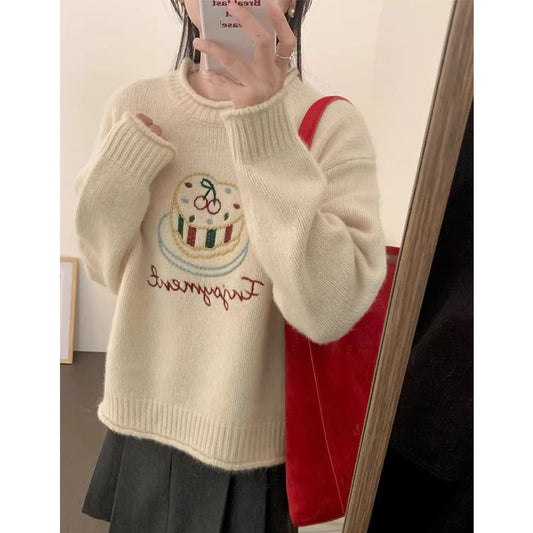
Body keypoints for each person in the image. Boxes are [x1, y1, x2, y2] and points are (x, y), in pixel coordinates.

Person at [74, 0, 388, 531]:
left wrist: (266, 131)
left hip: (252, 453)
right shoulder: (135, 107)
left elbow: (328, 311)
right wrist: (126, 162)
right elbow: (104, 266)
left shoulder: (332, 125)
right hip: (140, 427)